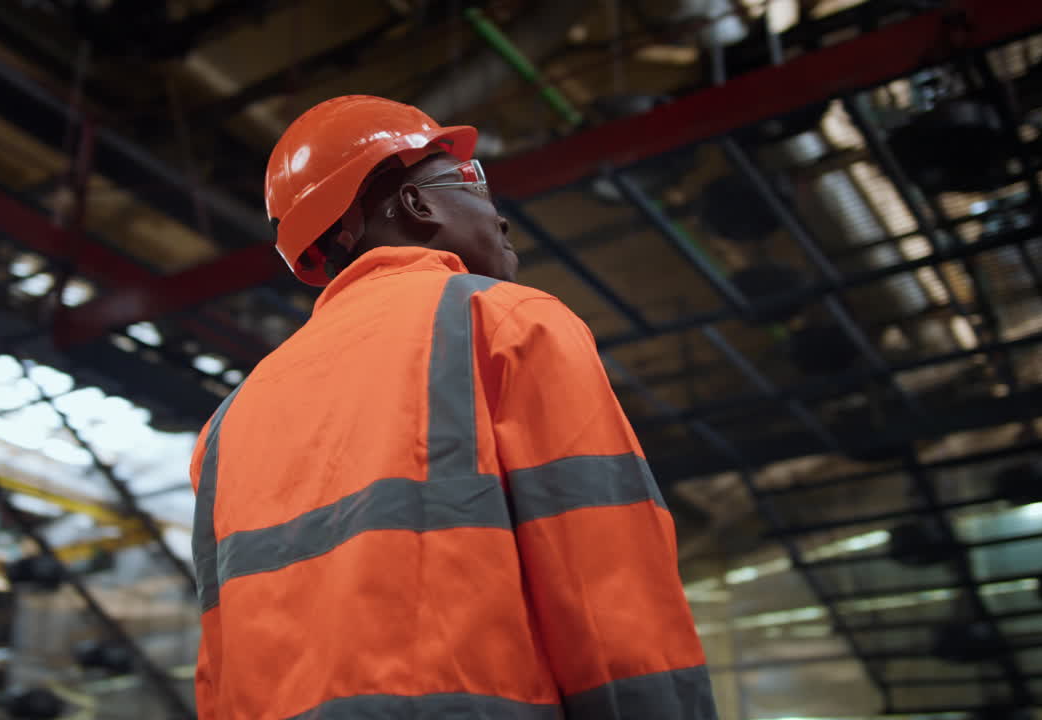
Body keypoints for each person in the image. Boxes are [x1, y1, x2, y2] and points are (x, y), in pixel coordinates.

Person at [190, 95, 716, 720]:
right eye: (473, 181)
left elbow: (220, 666)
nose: (500, 217)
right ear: (417, 204)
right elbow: (604, 583)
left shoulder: (227, 425)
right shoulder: (502, 322)